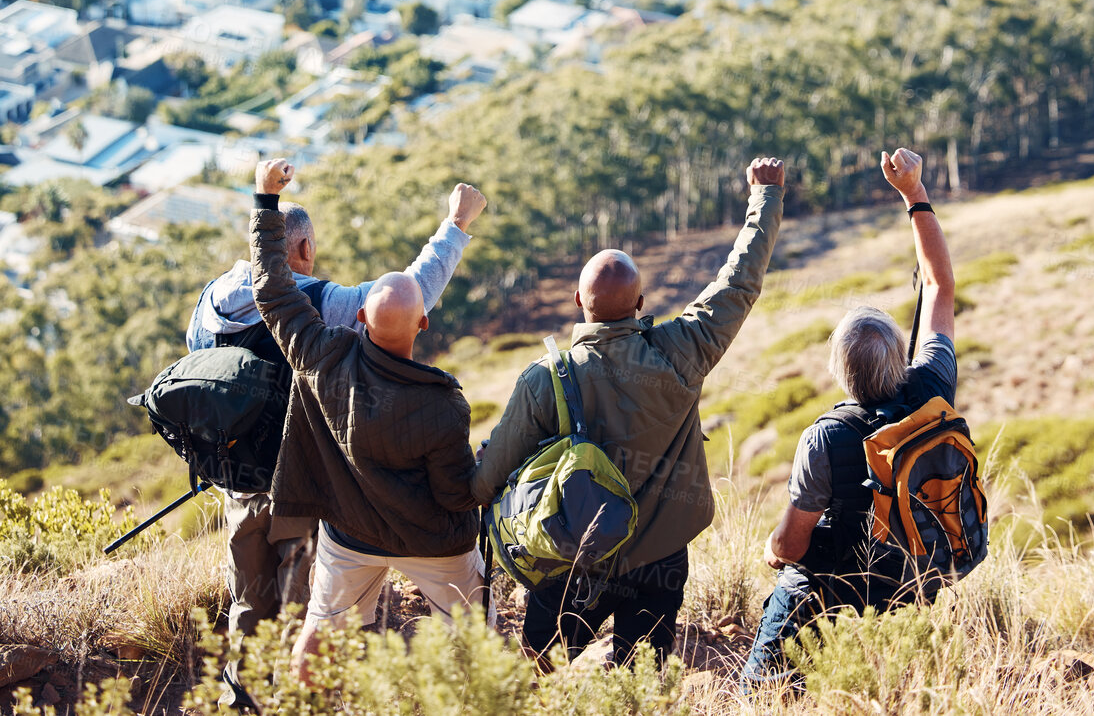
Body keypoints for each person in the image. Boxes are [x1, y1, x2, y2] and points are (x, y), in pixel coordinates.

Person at [473, 155, 787, 670]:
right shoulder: (682, 350)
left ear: (577, 300)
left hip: (573, 558)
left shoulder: (544, 379)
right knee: (641, 681)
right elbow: (739, 285)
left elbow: (487, 479)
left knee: (537, 664)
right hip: (659, 558)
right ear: (640, 301)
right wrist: (765, 196)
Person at [187, 172, 485, 702]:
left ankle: (243, 699)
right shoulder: (319, 306)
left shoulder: (209, 302)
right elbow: (406, 297)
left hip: (236, 480)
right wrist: (456, 226)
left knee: (249, 599)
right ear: (303, 246)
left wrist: (265, 202)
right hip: (301, 481)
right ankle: (300, 703)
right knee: (310, 605)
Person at [741, 147, 957, 693]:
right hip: (914, 586)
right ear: (900, 359)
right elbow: (939, 287)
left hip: (829, 597)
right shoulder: (931, 387)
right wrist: (915, 195)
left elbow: (791, 547)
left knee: (760, 694)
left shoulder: (827, 438)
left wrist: (771, 553)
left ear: (839, 371)